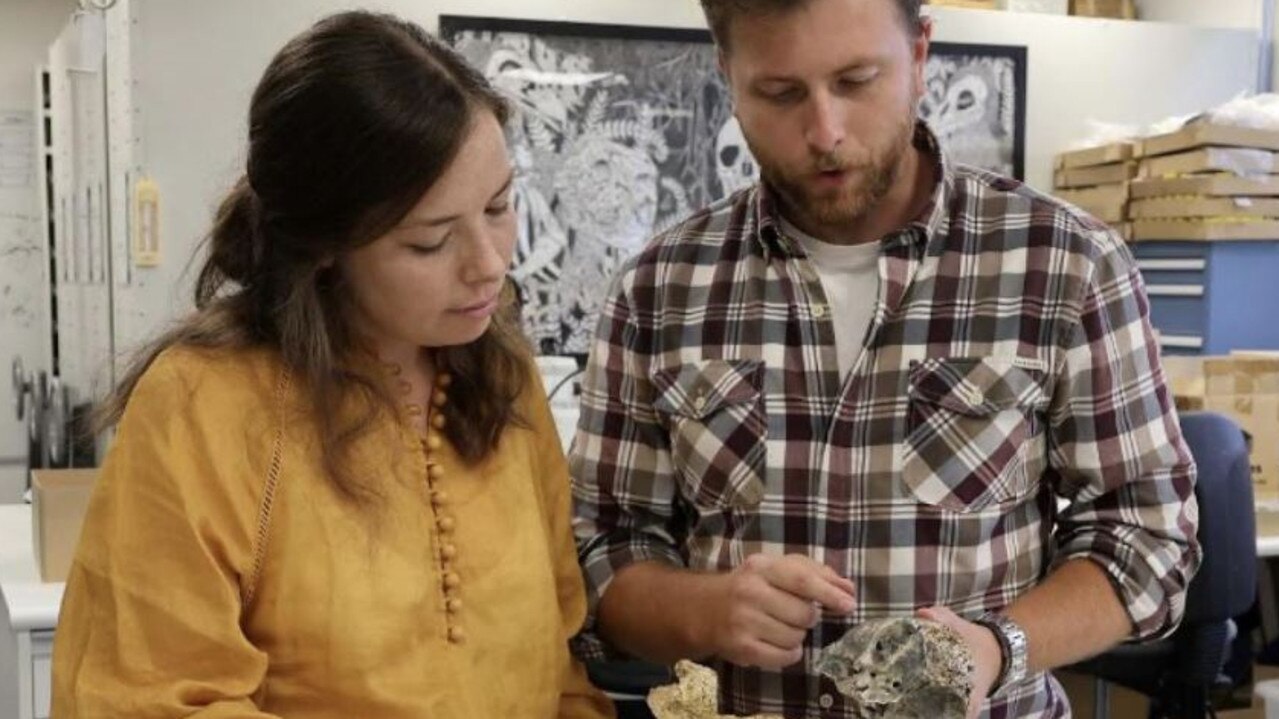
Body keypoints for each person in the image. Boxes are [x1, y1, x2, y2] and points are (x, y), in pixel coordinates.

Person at [569, 0, 1200, 716]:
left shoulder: (1065, 264)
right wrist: (702, 609)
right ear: (727, 74)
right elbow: (601, 546)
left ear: (921, 54)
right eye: (779, 93)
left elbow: (1145, 536)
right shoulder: (659, 288)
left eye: (857, 80)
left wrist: (999, 647)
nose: (824, 132)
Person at [51, 11, 614, 719]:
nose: (491, 264)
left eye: (500, 206)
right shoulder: (205, 404)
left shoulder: (503, 377)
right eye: (429, 243)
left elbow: (557, 667)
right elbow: (147, 696)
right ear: (323, 246)